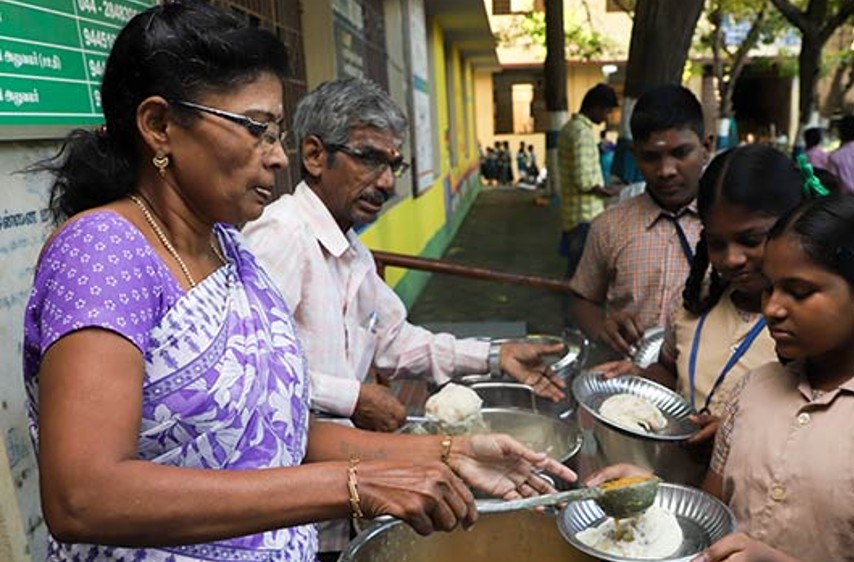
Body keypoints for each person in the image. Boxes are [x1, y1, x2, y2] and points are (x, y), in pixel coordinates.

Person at [22, 4, 574, 561]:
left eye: (278, 133)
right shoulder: (103, 251)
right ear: (160, 126)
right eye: (257, 129)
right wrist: (352, 485)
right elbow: (83, 496)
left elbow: (273, 434)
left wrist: (446, 453)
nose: (277, 157)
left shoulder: (230, 252)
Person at [589, 194, 854, 562]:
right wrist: (650, 495)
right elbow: (709, 524)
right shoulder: (752, 390)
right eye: (770, 288)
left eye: (799, 291)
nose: (773, 308)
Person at [243, 76, 566, 432]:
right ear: (315, 156)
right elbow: (251, 370)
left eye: (393, 165)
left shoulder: (353, 253)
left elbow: (396, 341)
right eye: (369, 158)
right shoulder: (282, 235)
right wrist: (352, 399)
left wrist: (496, 356)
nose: (387, 183)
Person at [595, 145, 817, 483]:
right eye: (717, 243)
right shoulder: (692, 309)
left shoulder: (812, 329)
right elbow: (672, 373)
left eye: (751, 240)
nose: (731, 259)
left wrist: (734, 437)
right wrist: (640, 377)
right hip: (682, 481)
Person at [569, 84, 710, 358]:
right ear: (635, 156)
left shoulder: (728, 229)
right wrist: (602, 328)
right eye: (651, 157)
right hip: (627, 384)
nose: (666, 171)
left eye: (681, 153)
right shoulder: (609, 226)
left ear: (706, 148)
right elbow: (582, 300)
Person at [558, 83, 620, 277]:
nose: (606, 117)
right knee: (581, 278)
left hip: (572, 215)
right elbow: (584, 180)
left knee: (576, 275)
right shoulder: (582, 134)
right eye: (607, 111)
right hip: (584, 217)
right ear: (596, 107)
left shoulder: (570, 128)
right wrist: (609, 192)